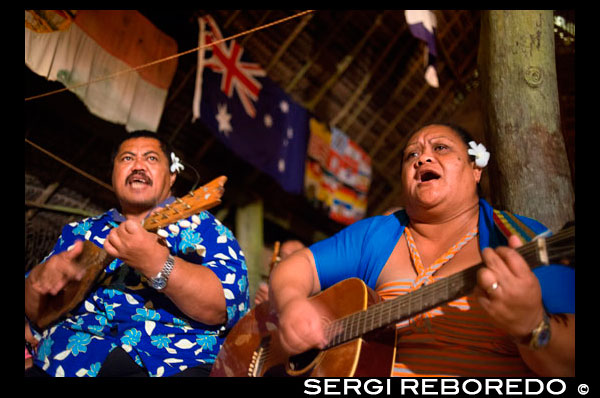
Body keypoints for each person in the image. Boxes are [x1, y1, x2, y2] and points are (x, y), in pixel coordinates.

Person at [269, 123, 575, 377]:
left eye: (440, 148)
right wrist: (292, 303)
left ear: (475, 169)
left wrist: (532, 326)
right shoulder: (378, 234)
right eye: (411, 155)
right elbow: (296, 267)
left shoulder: (521, 239)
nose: (422, 158)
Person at [24, 131, 249, 377]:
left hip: (172, 363)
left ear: (172, 176)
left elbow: (224, 306)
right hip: (63, 362)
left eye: (151, 159)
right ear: (113, 174)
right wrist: (36, 284)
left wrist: (159, 264)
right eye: (127, 159)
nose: (138, 166)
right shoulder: (80, 232)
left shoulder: (204, 228)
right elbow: (36, 315)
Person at [254, 240, 305, 306]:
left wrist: (273, 305)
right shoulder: (271, 285)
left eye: (290, 257)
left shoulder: (307, 294)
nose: (282, 261)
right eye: (282, 255)